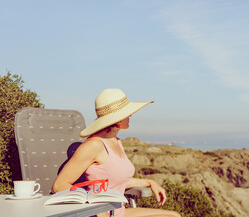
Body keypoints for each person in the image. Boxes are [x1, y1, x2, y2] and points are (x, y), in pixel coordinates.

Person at [52, 88, 180, 217]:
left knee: (175, 215)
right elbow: (59, 186)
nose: (131, 115)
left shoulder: (116, 141)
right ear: (118, 119)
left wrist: (149, 182)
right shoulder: (93, 145)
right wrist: (94, 209)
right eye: (128, 113)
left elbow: (115, 181)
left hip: (119, 212)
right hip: (101, 214)